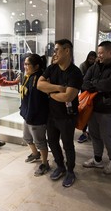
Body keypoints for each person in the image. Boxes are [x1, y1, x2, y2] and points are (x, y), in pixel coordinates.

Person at [37, 39, 83, 187]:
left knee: (68, 145)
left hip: (67, 116)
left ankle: (70, 171)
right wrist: (58, 87)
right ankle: (60, 166)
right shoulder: (53, 68)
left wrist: (50, 93)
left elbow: (68, 96)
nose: (54, 53)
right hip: (52, 115)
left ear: (67, 51)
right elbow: (39, 84)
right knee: (52, 141)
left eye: (57, 50)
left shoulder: (75, 73)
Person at [82, 41, 111, 174]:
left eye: (101, 53)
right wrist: (97, 86)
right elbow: (84, 82)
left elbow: (109, 85)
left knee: (107, 136)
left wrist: (94, 85)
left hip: (108, 109)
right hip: (93, 107)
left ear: (110, 53)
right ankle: (97, 159)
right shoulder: (95, 66)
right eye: (98, 53)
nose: (98, 56)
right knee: (94, 135)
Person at [19, 54, 50, 176]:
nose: (25, 66)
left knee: (40, 142)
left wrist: (30, 115)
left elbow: (36, 101)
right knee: (27, 137)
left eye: (28, 64)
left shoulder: (38, 79)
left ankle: (44, 163)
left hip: (36, 117)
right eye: (25, 64)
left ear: (36, 66)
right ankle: (35, 154)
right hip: (28, 115)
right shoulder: (28, 76)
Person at [78, 51, 97, 143]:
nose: (91, 60)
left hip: (94, 93)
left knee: (92, 113)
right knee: (85, 111)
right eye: (90, 58)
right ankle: (84, 132)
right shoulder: (83, 66)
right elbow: (82, 80)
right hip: (85, 92)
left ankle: (90, 132)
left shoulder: (97, 67)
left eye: (93, 59)